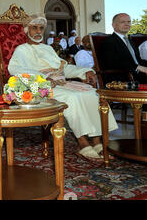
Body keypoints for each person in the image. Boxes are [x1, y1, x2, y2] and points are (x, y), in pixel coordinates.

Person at [7, 14, 118, 162]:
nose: (38, 31)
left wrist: (85, 71)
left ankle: (97, 141)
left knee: (93, 94)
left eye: (41, 28)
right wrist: (43, 77)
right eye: (34, 28)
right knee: (73, 97)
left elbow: (64, 68)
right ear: (27, 30)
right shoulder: (22, 50)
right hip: (40, 87)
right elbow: (14, 69)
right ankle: (83, 143)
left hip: (61, 83)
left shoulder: (48, 49)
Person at [101, 13, 147, 84]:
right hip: (121, 79)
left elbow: (138, 60)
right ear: (113, 25)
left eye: (129, 22)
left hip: (139, 76)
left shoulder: (131, 41)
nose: (127, 24)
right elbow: (113, 62)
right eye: (122, 22)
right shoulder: (109, 41)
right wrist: (137, 67)